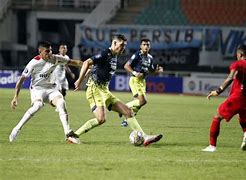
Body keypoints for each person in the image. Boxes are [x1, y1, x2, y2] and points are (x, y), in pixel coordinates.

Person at [73, 34, 163, 146]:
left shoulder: (114, 56)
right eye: (121, 45)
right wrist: (79, 80)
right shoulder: (105, 53)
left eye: (124, 46)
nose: (123, 48)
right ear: (114, 43)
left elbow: (95, 67)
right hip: (95, 89)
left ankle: (145, 137)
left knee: (127, 112)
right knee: (101, 119)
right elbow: (87, 62)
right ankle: (73, 136)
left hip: (104, 90)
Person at [9, 41, 82, 144]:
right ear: (40, 51)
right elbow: (21, 80)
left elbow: (75, 62)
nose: (50, 53)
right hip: (37, 89)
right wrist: (15, 97)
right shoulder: (34, 62)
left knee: (61, 103)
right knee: (37, 105)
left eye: (51, 50)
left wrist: (90, 65)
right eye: (47, 51)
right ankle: (17, 129)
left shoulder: (55, 58)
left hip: (51, 89)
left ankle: (68, 134)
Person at [202, 45, 246, 152]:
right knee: (243, 121)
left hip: (238, 96)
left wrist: (218, 91)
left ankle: (212, 146)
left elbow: (230, 78)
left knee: (217, 116)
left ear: (240, 54)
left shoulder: (238, 64)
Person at [121, 38, 163, 127]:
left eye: (147, 45)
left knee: (140, 103)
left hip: (142, 81)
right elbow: (126, 65)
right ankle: (123, 107)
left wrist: (157, 71)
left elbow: (151, 71)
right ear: (141, 46)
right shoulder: (137, 55)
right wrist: (135, 73)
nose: (146, 46)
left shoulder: (150, 58)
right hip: (135, 80)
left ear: (150, 46)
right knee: (143, 101)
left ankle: (127, 120)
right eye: (144, 44)